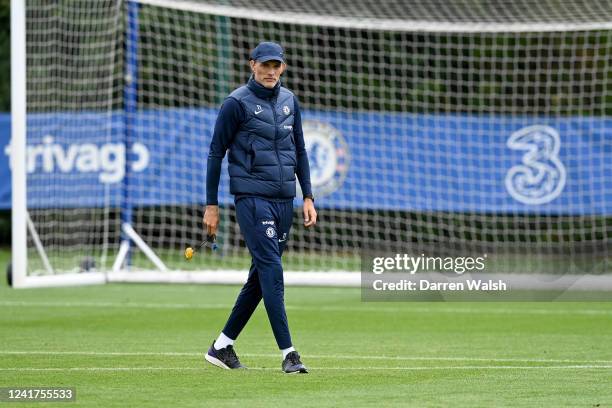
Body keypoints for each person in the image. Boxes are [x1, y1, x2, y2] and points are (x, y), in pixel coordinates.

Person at [203, 41, 317, 374]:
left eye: (276, 66)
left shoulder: (290, 101)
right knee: (272, 269)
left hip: (285, 199)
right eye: (264, 65)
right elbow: (215, 153)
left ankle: (222, 346)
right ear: (252, 65)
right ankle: (289, 353)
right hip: (251, 199)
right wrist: (211, 204)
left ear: (282, 68)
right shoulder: (236, 103)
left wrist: (307, 196)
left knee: (260, 275)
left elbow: (301, 151)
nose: (270, 71)